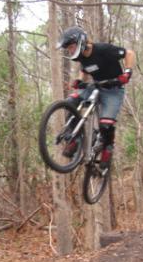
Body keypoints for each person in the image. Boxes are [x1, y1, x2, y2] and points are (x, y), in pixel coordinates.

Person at [56, 26, 136, 171]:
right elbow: (85, 69)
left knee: (106, 125)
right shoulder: (80, 56)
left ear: (81, 42)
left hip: (114, 90)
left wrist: (127, 73)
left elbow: (129, 53)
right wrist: (79, 80)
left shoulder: (103, 49)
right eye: (68, 49)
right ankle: (74, 139)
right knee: (71, 101)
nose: (70, 51)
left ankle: (107, 148)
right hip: (96, 86)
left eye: (72, 47)